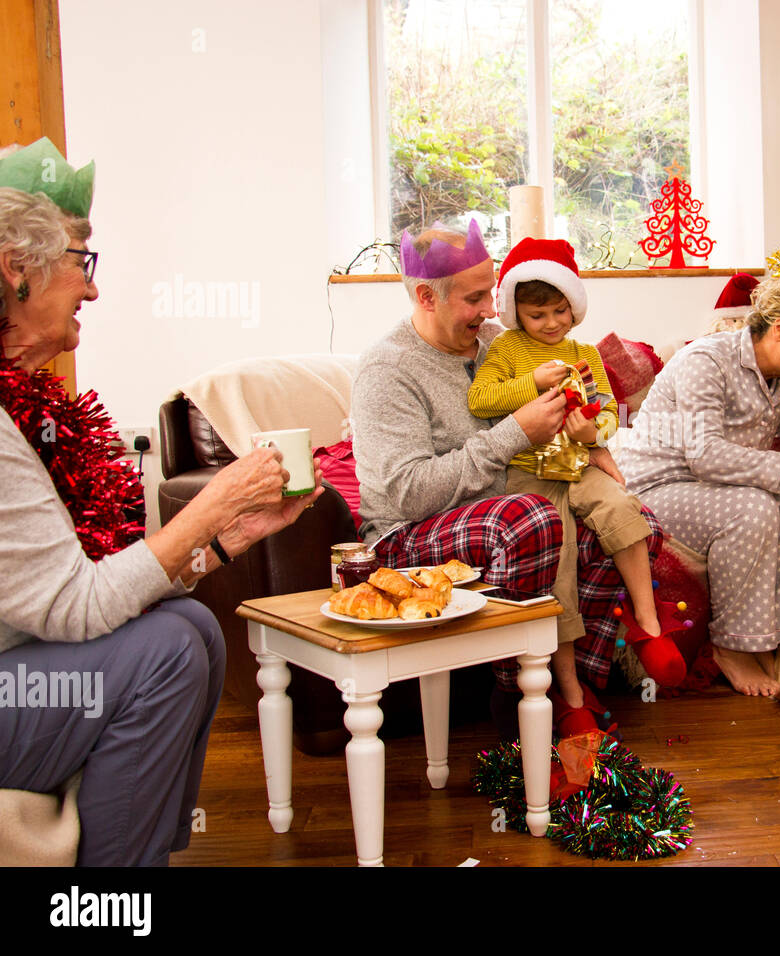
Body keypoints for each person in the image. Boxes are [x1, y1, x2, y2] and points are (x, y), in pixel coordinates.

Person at [0, 139, 323, 866]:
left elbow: (64, 589)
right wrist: (208, 508)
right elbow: (73, 607)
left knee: (190, 626)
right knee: (169, 649)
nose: (92, 289)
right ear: (16, 271)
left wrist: (224, 538)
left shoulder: (28, 407)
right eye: (80, 262)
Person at [349, 221, 663, 732]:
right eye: (475, 299)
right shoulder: (388, 369)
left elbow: (583, 405)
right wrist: (515, 432)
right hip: (407, 534)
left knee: (631, 519)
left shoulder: (501, 343)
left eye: (491, 293)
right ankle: (517, 694)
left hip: (517, 505)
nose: (492, 310)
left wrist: (594, 442)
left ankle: (576, 689)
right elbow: (407, 495)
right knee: (531, 519)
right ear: (427, 296)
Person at [618, 248, 780, 697]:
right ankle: (731, 646)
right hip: (658, 486)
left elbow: (779, 423)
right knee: (753, 509)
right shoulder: (706, 362)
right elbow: (705, 453)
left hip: (706, 485)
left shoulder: (779, 376)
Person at [467, 238, 684, 726]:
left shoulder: (583, 352)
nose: (551, 324)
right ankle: (569, 693)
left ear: (574, 306)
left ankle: (649, 626)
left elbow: (607, 411)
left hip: (581, 463)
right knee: (558, 563)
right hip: (529, 473)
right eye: (537, 314)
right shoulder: (506, 348)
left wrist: (596, 431)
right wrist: (534, 383)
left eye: (559, 311)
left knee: (623, 508)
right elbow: (481, 400)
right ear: (516, 312)